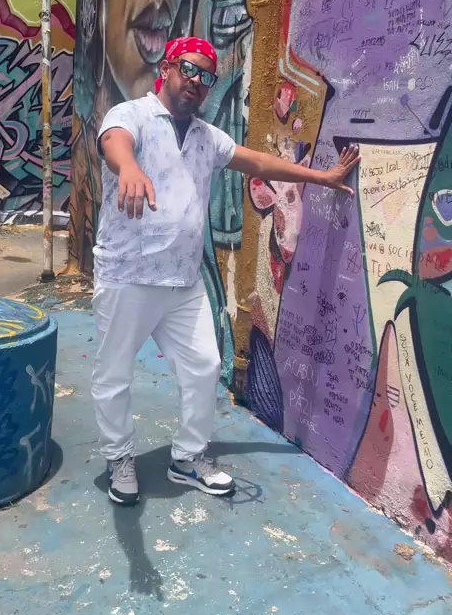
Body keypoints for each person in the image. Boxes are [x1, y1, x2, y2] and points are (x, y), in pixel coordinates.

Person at [92, 37, 360, 505]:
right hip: (128, 275)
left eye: (207, 76)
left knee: (204, 366)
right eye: (189, 69)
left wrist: (322, 178)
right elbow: (115, 141)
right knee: (114, 374)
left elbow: (258, 161)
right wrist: (129, 167)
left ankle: (187, 458)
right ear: (167, 68)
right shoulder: (132, 115)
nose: (197, 81)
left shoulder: (206, 136)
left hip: (183, 280)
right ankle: (119, 458)